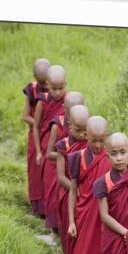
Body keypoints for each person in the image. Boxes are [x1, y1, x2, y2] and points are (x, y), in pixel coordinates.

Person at [67, 116, 111, 254]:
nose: (98, 145)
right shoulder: (77, 158)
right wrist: (71, 221)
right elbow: (72, 190)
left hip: (103, 218)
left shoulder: (111, 158)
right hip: (84, 214)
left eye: (102, 140)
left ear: (107, 137)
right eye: (94, 140)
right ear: (87, 135)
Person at [44, 91, 85, 230]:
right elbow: (49, 154)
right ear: (65, 110)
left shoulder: (87, 129)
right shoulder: (58, 125)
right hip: (65, 174)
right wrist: (68, 157)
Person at [55, 104, 89, 254]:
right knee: (69, 230)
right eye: (78, 130)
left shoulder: (92, 142)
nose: (83, 135)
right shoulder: (64, 145)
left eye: (85, 130)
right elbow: (61, 177)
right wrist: (77, 191)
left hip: (87, 195)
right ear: (69, 125)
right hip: (68, 192)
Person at [32, 65, 66, 217]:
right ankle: (50, 220)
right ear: (47, 85)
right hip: (48, 150)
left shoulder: (69, 100)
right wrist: (38, 151)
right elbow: (36, 126)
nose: (58, 92)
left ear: (65, 84)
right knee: (50, 186)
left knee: (61, 187)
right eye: (54, 88)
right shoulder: (43, 102)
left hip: (64, 150)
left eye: (61, 88)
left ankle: (59, 222)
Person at [22, 58, 51, 216]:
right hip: (36, 134)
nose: (46, 86)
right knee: (35, 170)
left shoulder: (56, 88)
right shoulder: (32, 90)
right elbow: (26, 116)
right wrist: (39, 124)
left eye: (47, 82)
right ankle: (37, 208)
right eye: (42, 84)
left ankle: (49, 207)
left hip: (51, 134)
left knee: (48, 170)